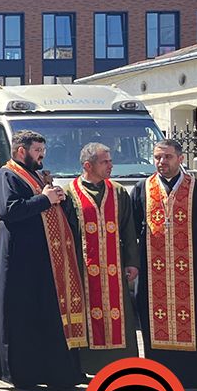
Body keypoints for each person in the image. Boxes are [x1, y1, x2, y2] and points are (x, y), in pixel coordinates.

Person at [0, 130, 87, 390]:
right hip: (19, 260)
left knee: (46, 315)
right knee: (21, 316)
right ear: (21, 151)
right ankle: (23, 374)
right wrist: (45, 199)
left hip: (45, 261)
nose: (42, 155)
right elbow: (10, 210)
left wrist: (57, 200)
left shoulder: (36, 175)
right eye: (37, 150)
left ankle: (54, 372)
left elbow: (43, 207)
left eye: (43, 150)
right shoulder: (5, 176)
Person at [130, 139, 197, 389]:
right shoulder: (143, 189)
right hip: (154, 271)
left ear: (180, 159)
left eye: (167, 157)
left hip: (190, 268)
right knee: (154, 321)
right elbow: (133, 224)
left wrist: (189, 246)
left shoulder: (196, 188)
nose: (161, 162)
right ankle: (162, 374)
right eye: (157, 157)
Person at [63, 142, 140, 376]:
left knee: (119, 317)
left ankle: (121, 364)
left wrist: (132, 262)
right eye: (104, 161)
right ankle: (87, 365)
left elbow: (128, 229)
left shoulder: (118, 191)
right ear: (88, 165)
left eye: (110, 160)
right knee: (86, 317)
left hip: (115, 270)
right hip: (84, 272)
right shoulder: (70, 193)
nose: (110, 165)